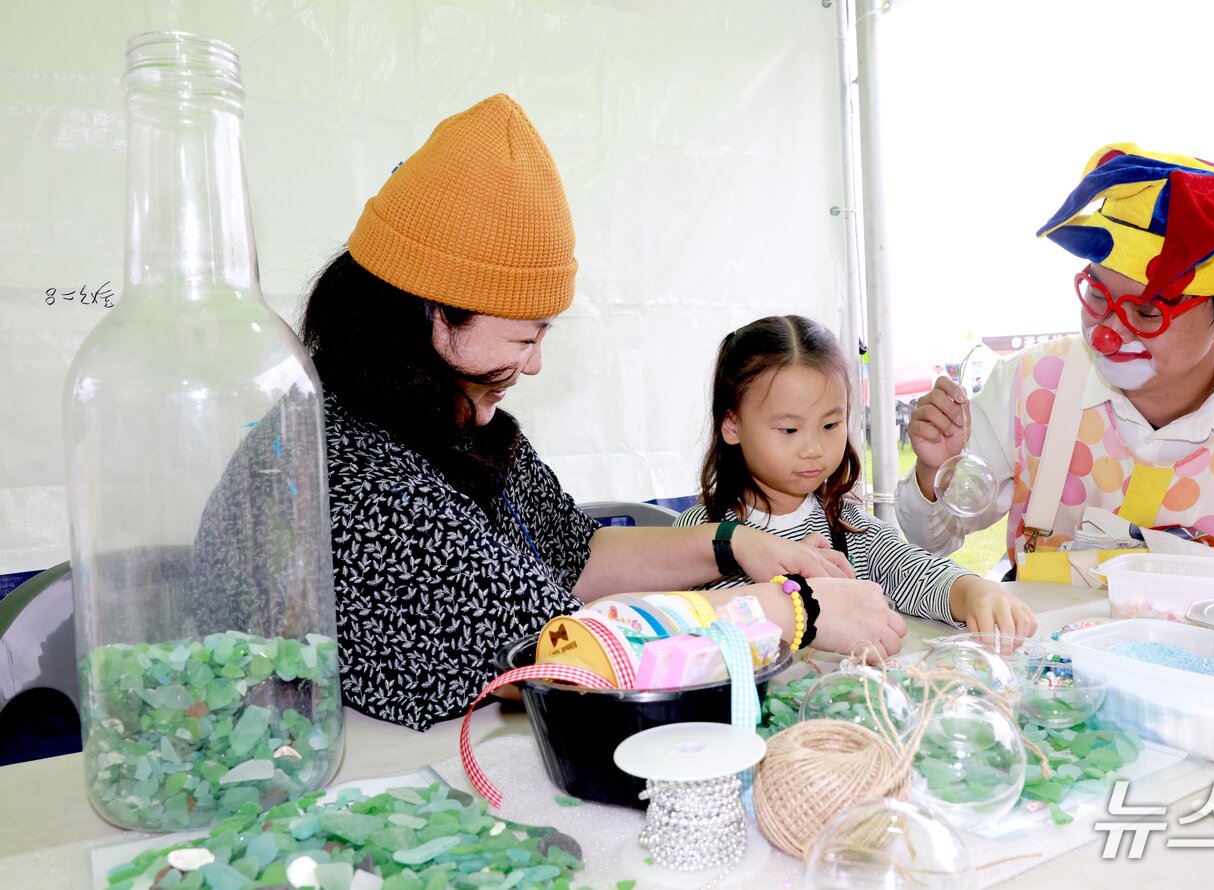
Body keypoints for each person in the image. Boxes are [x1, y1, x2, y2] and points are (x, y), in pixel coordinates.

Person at [300, 95, 905, 730]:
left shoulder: (454, 419)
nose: (534, 364)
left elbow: (579, 554)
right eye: (525, 336)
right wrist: (789, 612)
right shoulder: (354, 475)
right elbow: (565, 651)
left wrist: (728, 542)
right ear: (433, 313)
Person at [897, 143, 1214, 600]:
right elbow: (932, 537)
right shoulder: (1028, 384)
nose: (1109, 330)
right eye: (1097, 295)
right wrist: (931, 471)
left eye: (1148, 311)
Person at [675, 315, 1037, 636]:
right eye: (789, 430)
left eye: (831, 424)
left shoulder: (848, 529)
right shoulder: (698, 537)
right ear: (731, 424)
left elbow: (914, 573)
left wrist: (974, 591)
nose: (814, 448)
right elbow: (677, 625)